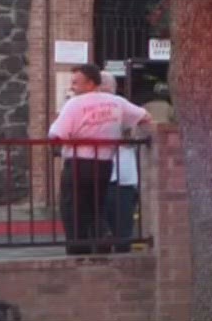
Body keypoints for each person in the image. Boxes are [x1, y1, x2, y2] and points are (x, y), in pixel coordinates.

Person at [48, 64, 148, 256]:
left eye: (76, 83)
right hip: (104, 165)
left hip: (78, 163)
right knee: (95, 206)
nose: (72, 87)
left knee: (73, 210)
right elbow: (145, 117)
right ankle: (102, 237)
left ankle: (79, 252)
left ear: (90, 83)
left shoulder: (75, 104)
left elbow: (55, 134)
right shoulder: (117, 102)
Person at [97, 71, 152, 253]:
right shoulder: (85, 106)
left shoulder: (121, 105)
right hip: (102, 177)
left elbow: (145, 122)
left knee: (122, 234)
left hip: (122, 178)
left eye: (107, 89)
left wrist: (130, 132)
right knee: (101, 236)